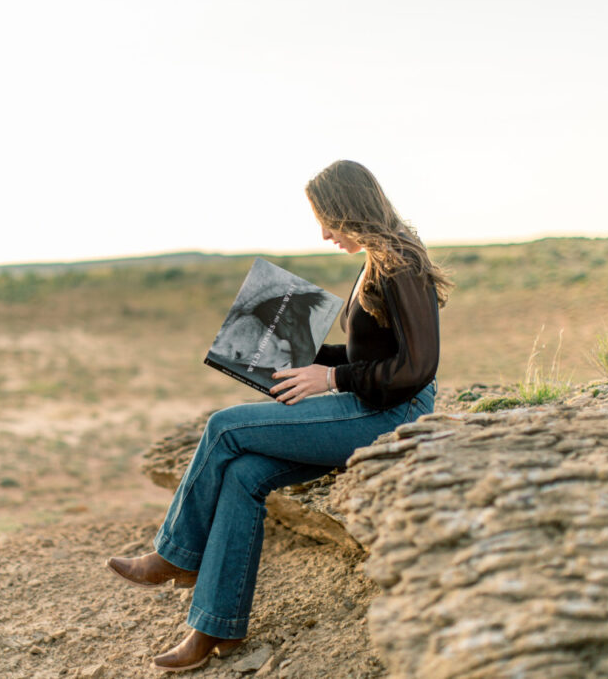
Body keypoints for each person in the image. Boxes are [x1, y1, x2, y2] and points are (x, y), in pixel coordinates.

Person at [105, 159, 453, 672]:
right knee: (244, 473)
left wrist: (331, 380)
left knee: (224, 427)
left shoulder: (400, 261)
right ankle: (213, 628)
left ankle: (175, 556)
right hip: (373, 402)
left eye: (327, 219)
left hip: (393, 413)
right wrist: (312, 357)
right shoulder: (380, 258)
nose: (324, 233)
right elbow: (374, 354)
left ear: (348, 208)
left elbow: (418, 368)